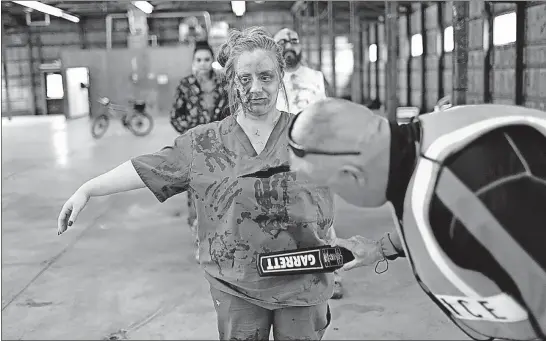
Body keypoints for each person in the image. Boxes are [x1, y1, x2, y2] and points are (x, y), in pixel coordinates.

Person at [58, 27, 335, 341]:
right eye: (245, 78)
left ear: (280, 76)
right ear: (231, 81)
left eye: (266, 77)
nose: (255, 88)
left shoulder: (309, 136)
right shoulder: (204, 143)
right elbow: (150, 167)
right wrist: (88, 189)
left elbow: (333, 192)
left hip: (303, 280)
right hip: (237, 286)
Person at [287, 98, 546, 341]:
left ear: (354, 176)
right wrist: (380, 248)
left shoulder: (474, 195)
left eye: (329, 189)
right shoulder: (426, 143)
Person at [273, 27, 344, 299]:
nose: (289, 45)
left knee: (323, 220)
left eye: (294, 41)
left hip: (313, 156)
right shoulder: (271, 80)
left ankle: (333, 277)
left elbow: (327, 115)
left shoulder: (316, 78)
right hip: (280, 159)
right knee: (284, 221)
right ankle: (292, 279)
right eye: (282, 41)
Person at [170, 40, 229, 262]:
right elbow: (175, 115)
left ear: (212, 61)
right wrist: (190, 130)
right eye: (198, 60)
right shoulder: (186, 85)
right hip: (194, 150)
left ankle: (220, 239)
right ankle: (200, 242)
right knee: (196, 194)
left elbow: (230, 112)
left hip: (220, 148)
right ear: (193, 62)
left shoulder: (223, 84)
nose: (203, 64)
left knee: (220, 192)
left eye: (206, 59)